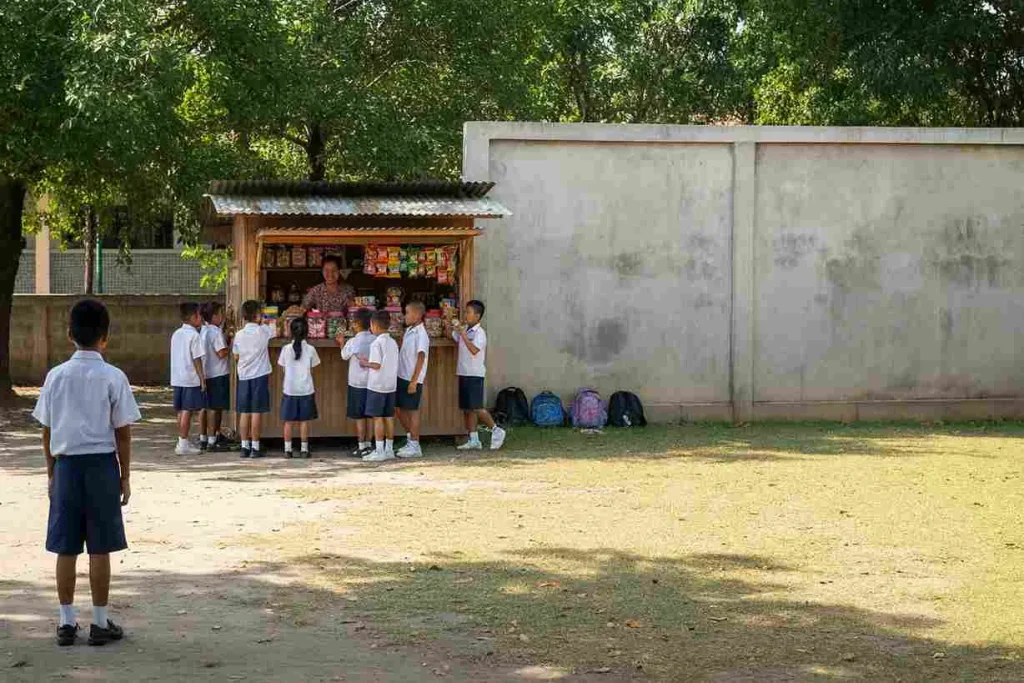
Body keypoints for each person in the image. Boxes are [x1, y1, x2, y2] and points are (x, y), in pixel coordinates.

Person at [32, 299, 140, 647]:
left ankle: (66, 623)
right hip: (101, 467)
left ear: (69, 335)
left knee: (65, 547)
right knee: (99, 547)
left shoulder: (55, 376)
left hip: (66, 467)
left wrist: (51, 472)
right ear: (105, 338)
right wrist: (124, 476)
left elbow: (46, 431)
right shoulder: (113, 376)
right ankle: (98, 621)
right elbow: (123, 431)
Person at [454, 300, 506, 450]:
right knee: (467, 408)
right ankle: (473, 439)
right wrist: (454, 327)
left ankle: (496, 430)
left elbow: (474, 350)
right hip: (463, 372)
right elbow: (454, 338)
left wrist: (463, 334)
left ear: (477, 316)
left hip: (474, 374)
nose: (466, 315)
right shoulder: (466, 330)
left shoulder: (479, 333)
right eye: (465, 312)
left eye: (468, 312)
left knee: (476, 407)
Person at [233, 299, 276, 458]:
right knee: (257, 412)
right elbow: (275, 331)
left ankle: (244, 446)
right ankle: (256, 447)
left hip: (243, 376)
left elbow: (236, 356)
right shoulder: (263, 331)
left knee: (245, 412)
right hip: (260, 375)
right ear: (258, 315)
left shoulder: (239, 334)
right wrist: (266, 320)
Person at [278, 317, 321, 458]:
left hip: (289, 389)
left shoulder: (285, 349)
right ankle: (304, 450)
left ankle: (287, 450)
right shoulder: (311, 349)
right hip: (306, 389)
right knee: (304, 422)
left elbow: (282, 368)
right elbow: (313, 369)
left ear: (290, 332)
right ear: (306, 332)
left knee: (288, 422)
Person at [361, 310, 399, 462]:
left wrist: (365, 363)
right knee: (388, 417)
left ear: (374, 325)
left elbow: (376, 365)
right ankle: (389, 449)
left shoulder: (376, 343)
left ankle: (379, 450)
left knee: (377, 418)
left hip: (377, 386)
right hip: (390, 385)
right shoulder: (392, 342)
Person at [170, 302, 206, 456]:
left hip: (177, 377)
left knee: (181, 410)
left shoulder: (176, 333)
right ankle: (183, 442)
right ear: (193, 317)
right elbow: (197, 359)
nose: (201, 318)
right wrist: (202, 378)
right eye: (199, 315)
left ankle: (182, 440)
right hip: (190, 377)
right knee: (187, 410)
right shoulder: (194, 335)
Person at [395, 301, 429, 458]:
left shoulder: (421, 334)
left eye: (407, 313)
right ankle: (411, 438)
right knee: (399, 408)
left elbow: (421, 357)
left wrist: (414, 381)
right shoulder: (409, 330)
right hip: (402, 375)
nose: (404, 316)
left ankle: (415, 445)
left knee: (412, 411)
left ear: (417, 315)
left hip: (411, 378)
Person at [339, 308, 375, 457]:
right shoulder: (375, 339)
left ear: (356, 324)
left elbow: (344, 356)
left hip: (357, 384)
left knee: (359, 417)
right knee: (371, 416)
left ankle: (361, 446)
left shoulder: (353, 341)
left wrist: (341, 342)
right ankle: (370, 445)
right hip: (373, 383)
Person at [200, 302, 232, 452]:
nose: (222, 316)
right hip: (218, 373)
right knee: (215, 408)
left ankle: (204, 437)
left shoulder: (203, 330)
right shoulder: (215, 332)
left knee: (206, 407)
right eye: (220, 314)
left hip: (206, 373)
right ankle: (213, 440)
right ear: (214, 317)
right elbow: (221, 353)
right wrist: (231, 344)